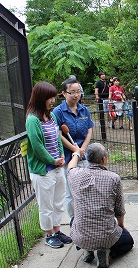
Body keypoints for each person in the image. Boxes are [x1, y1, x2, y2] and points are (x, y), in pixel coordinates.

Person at [68, 143, 134, 268]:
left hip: (81, 236)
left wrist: (76, 153)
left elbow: (70, 167)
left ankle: (87, 249)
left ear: (87, 158)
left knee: (73, 220)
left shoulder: (75, 175)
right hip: (106, 237)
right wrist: (121, 227)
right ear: (103, 159)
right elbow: (119, 210)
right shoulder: (114, 178)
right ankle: (106, 252)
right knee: (128, 242)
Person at [25, 81, 72, 248]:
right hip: (43, 170)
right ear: (40, 98)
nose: (53, 101)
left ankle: (57, 230)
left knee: (58, 201)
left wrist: (60, 155)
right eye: (49, 98)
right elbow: (37, 146)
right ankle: (49, 235)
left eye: (53, 97)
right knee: (46, 205)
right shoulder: (32, 120)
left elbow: (57, 136)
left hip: (57, 166)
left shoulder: (50, 116)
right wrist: (52, 161)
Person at [53, 77, 94, 225]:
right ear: (64, 94)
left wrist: (82, 149)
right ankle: (74, 221)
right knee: (70, 192)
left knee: (87, 187)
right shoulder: (58, 112)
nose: (76, 95)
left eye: (78, 92)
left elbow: (89, 130)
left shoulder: (84, 110)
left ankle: (87, 218)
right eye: (72, 92)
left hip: (84, 155)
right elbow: (59, 135)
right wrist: (74, 149)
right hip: (69, 156)